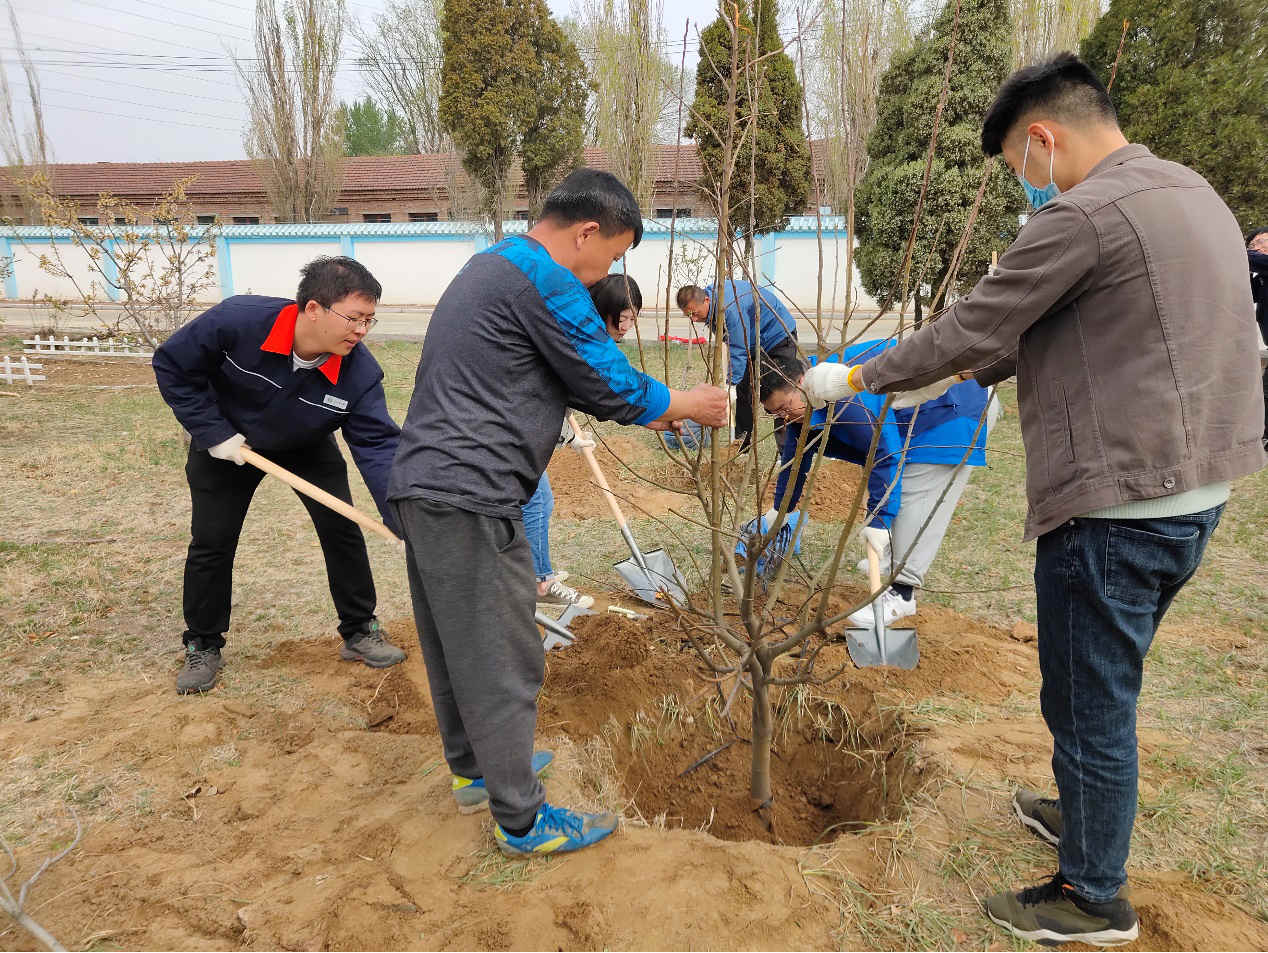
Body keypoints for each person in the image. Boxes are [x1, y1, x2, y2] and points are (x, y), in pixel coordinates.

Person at [801, 53, 1265, 945]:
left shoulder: (1085, 212)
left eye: (1021, 167)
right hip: (1196, 491)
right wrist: (957, 374)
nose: (1027, 188)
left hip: (1118, 504)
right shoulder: (1189, 192)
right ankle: (1083, 809)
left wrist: (856, 374)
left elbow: (977, 321)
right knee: (1099, 690)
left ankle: (1092, 897)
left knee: (1092, 701)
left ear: (1044, 138)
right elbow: (1077, 330)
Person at [388, 168, 728, 858]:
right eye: (614, 255)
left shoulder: (494, 265)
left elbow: (551, 374)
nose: (609, 271)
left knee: (458, 645)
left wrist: (649, 411)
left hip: (428, 483)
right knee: (504, 652)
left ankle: (476, 772)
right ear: (586, 232)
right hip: (471, 490)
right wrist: (685, 404)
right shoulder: (543, 278)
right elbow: (603, 373)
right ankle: (521, 819)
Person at [153, 256, 409, 695]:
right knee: (213, 541)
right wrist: (214, 433)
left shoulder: (359, 373)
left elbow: (378, 446)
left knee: (342, 527)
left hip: (306, 444)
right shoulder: (238, 322)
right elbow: (173, 367)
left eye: (369, 320)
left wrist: (403, 514)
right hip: (228, 445)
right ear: (313, 308)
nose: (362, 331)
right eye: (353, 318)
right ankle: (203, 643)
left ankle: (360, 629)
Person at [755, 340, 999, 625]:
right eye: (775, 414)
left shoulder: (843, 396)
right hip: (912, 416)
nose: (784, 417)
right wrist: (780, 510)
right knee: (896, 493)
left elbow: (885, 455)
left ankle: (902, 593)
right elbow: (795, 461)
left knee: (913, 499)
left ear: (800, 383)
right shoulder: (803, 404)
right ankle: (887, 560)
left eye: (785, 407)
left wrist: (879, 522)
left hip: (954, 406)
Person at [522, 274, 647, 611]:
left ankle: (528, 577)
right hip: (509, 435)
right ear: (606, 310)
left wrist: (568, 432)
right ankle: (537, 582)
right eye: (624, 318)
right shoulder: (575, 334)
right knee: (534, 502)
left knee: (539, 502)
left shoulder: (580, 330)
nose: (626, 328)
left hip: (520, 431)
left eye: (634, 319)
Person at [677, 278, 799, 450]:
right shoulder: (712, 302)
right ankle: (743, 446)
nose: (693, 319)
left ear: (706, 300)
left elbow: (738, 346)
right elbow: (736, 343)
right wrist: (735, 383)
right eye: (689, 316)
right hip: (754, 341)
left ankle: (786, 453)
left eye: (695, 313)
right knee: (743, 390)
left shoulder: (729, 308)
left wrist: (731, 383)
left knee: (782, 394)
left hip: (777, 335)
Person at [1248, 228, 1268, 446]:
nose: (1258, 248)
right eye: (1254, 246)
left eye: (1260, 242)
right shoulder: (1262, 276)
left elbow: (1246, 257)